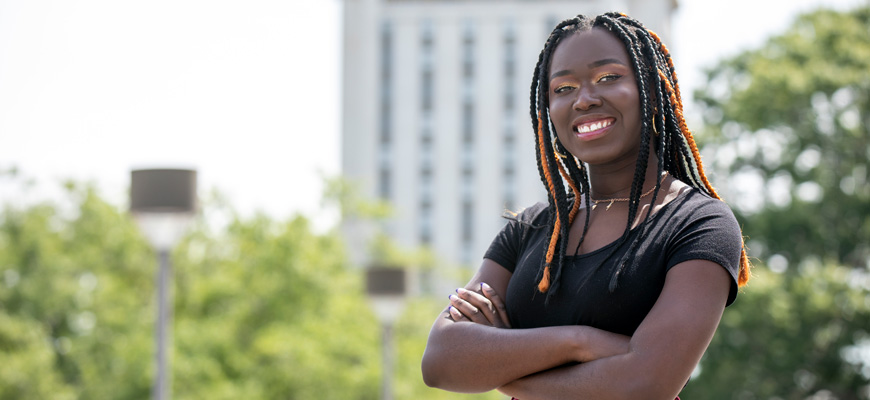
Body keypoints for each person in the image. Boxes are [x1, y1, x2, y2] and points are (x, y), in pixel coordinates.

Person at [421, 12, 752, 399]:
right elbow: (441, 361)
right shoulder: (532, 228)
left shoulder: (698, 224)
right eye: (563, 88)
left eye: (608, 78)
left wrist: (500, 366)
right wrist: (578, 342)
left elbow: (645, 384)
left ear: (650, 88)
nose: (584, 99)